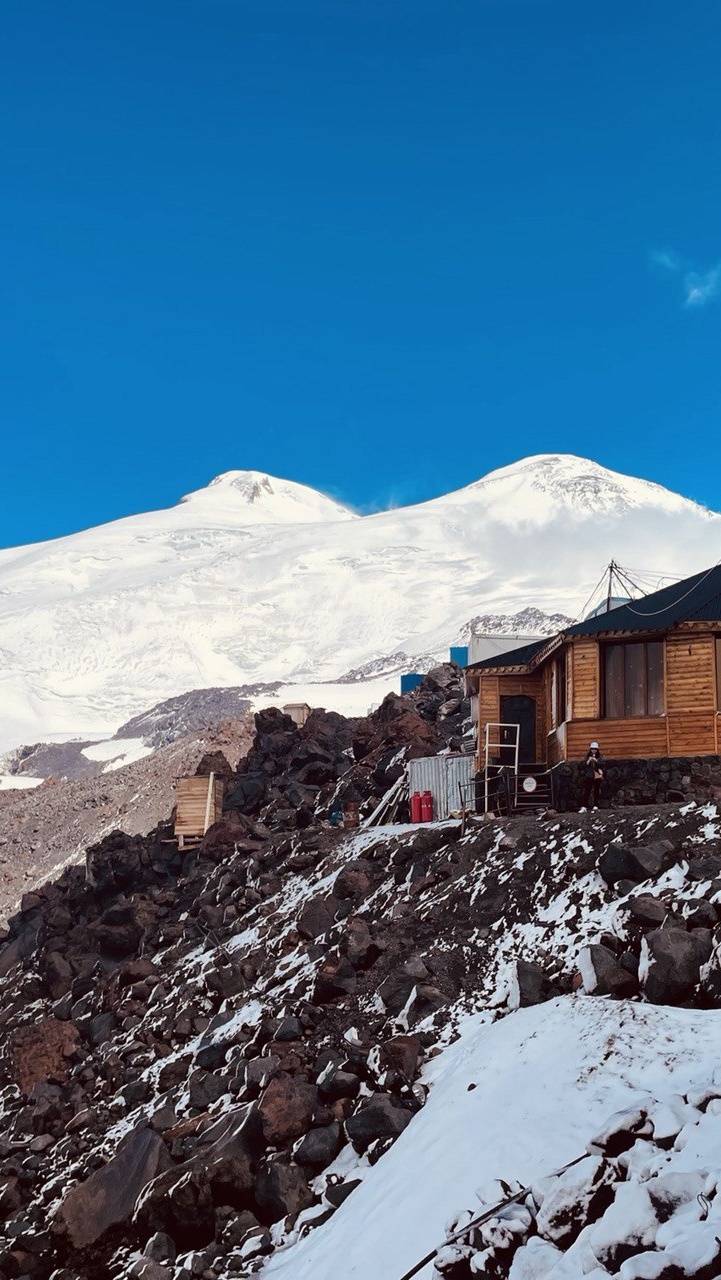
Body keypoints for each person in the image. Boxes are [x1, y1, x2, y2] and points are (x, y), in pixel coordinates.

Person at [580, 741, 604, 811]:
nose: (594, 750)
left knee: (596, 791)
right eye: (592, 749)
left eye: (595, 749)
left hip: (597, 775)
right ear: (590, 749)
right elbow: (583, 765)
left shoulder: (599, 756)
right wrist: (588, 761)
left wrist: (596, 761)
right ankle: (584, 806)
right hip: (589, 776)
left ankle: (596, 805)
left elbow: (602, 764)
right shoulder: (587, 756)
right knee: (587, 791)